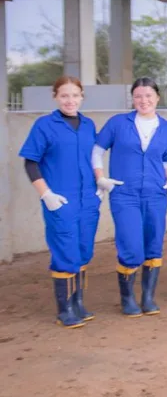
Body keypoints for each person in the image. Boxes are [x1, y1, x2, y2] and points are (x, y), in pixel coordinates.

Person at [93, 77, 167, 317]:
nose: (144, 100)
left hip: (155, 193)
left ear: (157, 98)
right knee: (131, 245)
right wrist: (100, 177)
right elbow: (97, 151)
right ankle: (128, 298)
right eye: (139, 96)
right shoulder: (118, 123)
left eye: (149, 96)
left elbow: (166, 161)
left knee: (154, 244)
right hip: (125, 193)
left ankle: (148, 297)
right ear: (133, 98)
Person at [19, 76, 101, 328]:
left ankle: (78, 303)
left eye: (75, 95)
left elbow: (93, 158)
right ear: (55, 97)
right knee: (65, 250)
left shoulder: (88, 125)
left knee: (84, 249)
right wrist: (46, 194)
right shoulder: (44, 125)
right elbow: (31, 162)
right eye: (64, 95)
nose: (70, 100)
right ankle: (64, 309)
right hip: (60, 199)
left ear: (82, 97)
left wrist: (99, 184)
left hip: (87, 198)